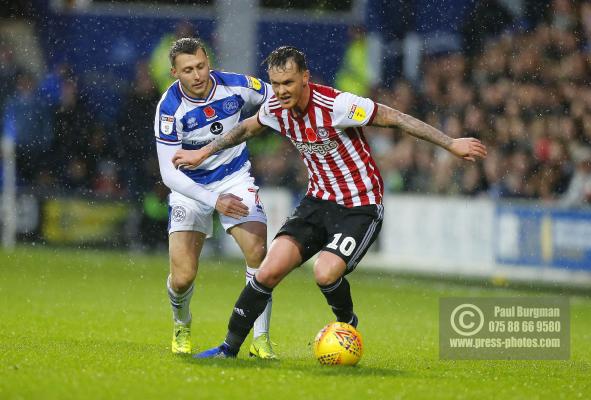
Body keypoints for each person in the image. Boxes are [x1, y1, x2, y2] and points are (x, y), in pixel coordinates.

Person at [172, 46, 487, 358]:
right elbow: (245, 128)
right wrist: (201, 153)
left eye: (289, 83)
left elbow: (397, 119)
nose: (281, 91)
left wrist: (451, 144)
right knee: (266, 272)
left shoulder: (338, 105)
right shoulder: (275, 109)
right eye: (276, 84)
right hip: (317, 202)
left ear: (305, 78)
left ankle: (347, 325)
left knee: (324, 272)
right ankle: (228, 350)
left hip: (360, 205)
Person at [154, 38, 277, 358]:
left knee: (258, 251)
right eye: (187, 70)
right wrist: (212, 199)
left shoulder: (237, 85)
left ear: (208, 60)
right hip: (190, 190)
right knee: (182, 279)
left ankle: (261, 339)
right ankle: (181, 323)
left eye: (200, 66)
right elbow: (170, 175)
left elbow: (278, 98)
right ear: (174, 73)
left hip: (235, 179)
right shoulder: (169, 109)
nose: (196, 75)